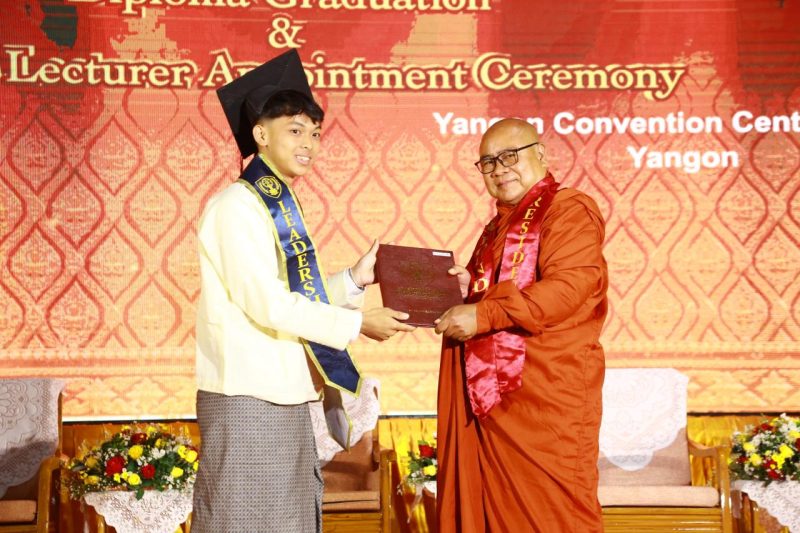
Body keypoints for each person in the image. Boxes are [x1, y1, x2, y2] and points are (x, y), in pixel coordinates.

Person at [192, 50, 415, 533]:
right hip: (246, 397)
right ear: (260, 135)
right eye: (295, 130)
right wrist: (358, 323)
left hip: (283, 394)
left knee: (288, 520)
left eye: (315, 133)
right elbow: (267, 303)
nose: (309, 143)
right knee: (245, 522)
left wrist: (354, 279)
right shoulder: (237, 207)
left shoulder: (270, 204)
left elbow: (297, 295)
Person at [434, 118, 608, 532]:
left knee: (554, 516)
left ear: (541, 154)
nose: (499, 169)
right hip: (491, 398)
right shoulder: (497, 225)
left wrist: (483, 314)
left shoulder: (568, 209)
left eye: (510, 156)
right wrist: (472, 290)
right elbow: (506, 292)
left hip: (545, 400)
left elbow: (569, 288)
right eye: (488, 162)